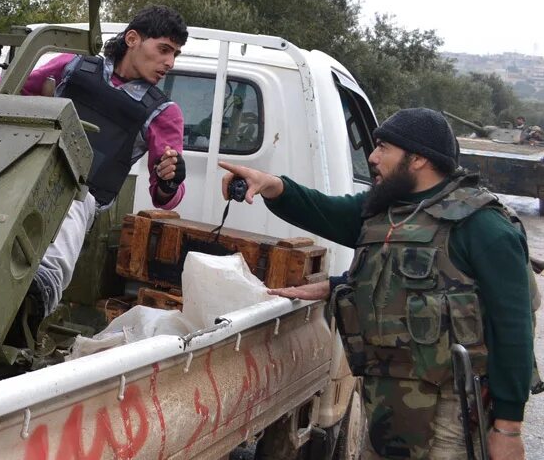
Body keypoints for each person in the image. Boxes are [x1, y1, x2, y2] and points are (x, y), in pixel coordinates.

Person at [218, 108, 539, 460]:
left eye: (383, 147)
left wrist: (508, 428)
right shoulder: (384, 211)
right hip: (386, 405)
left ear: (417, 159)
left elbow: (513, 329)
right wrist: (272, 185)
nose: (372, 157)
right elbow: (322, 210)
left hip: (451, 413)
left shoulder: (482, 225)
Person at [22, 4, 188, 316]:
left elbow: (165, 198)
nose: (169, 62)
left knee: (74, 205)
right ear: (133, 39)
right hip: (27, 173)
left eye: (175, 54)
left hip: (81, 195)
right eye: (164, 49)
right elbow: (11, 91)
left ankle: (40, 293)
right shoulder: (72, 67)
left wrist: (171, 179)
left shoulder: (163, 112)